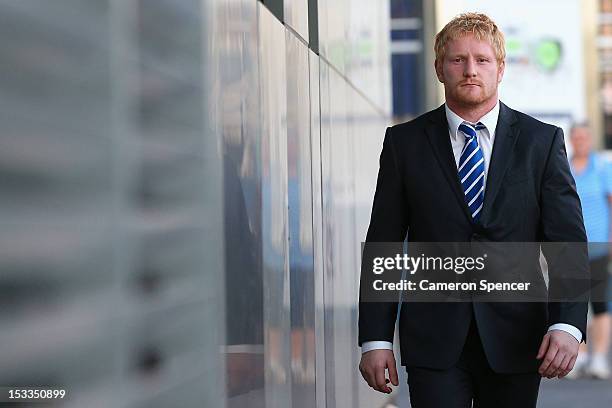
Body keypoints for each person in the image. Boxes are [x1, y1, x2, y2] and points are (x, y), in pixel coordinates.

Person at [358, 13, 588, 407]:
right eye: (457, 60)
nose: (469, 70)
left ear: (501, 69)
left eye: (482, 60)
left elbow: (566, 240)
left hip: (517, 339)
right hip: (433, 341)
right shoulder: (404, 144)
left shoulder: (541, 143)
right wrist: (375, 338)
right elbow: (385, 244)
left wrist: (567, 324)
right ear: (438, 69)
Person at [566, 123, 611, 380]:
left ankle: (599, 358)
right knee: (574, 300)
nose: (580, 141)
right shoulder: (565, 166)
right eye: (576, 137)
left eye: (584, 137)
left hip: (598, 246)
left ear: (590, 139)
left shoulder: (603, 167)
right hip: (570, 248)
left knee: (601, 303)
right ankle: (578, 356)